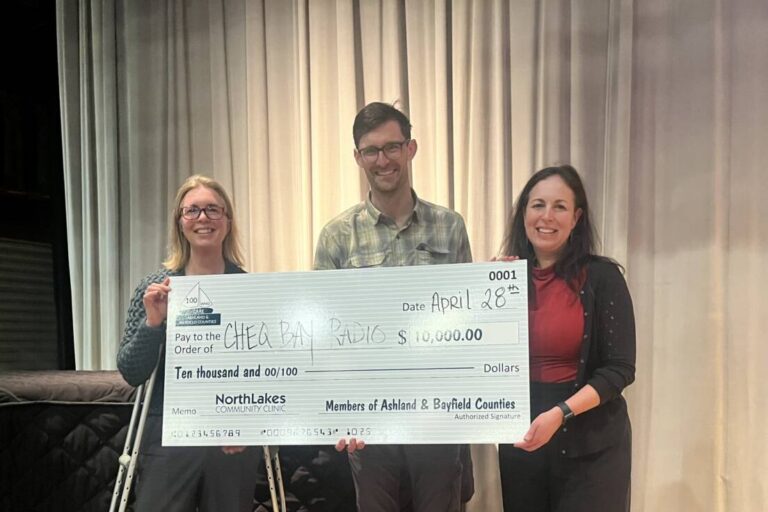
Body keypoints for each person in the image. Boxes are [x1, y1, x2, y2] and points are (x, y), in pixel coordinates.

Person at [313, 102, 474, 512]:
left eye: (392, 147)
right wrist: (338, 413)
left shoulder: (450, 226)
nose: (382, 160)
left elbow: (470, 320)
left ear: (411, 149)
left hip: (437, 419)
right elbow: (325, 339)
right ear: (357, 157)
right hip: (369, 425)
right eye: (371, 151)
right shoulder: (335, 237)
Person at [496, 165, 635, 512]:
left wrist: (560, 414)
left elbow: (620, 369)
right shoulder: (500, 282)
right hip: (522, 439)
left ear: (576, 218)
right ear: (523, 214)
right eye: (538, 205)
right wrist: (488, 291)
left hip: (592, 443)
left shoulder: (603, 278)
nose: (547, 216)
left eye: (559, 206)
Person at [117, 175, 259, 512]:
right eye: (192, 211)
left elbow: (261, 374)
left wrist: (246, 424)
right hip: (168, 434)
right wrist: (153, 323)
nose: (203, 219)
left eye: (212, 210)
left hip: (231, 438)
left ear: (227, 220)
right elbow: (131, 372)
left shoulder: (252, 289)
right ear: (180, 223)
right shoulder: (155, 288)